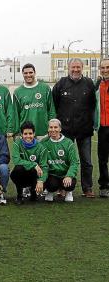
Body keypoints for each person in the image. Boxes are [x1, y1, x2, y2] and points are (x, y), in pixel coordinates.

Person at [52, 58, 96, 197]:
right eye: (73, 67)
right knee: (64, 161)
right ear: (68, 68)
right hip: (66, 130)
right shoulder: (61, 84)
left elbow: (93, 104)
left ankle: (87, 188)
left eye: (78, 67)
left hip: (84, 129)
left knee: (86, 161)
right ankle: (62, 188)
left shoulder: (89, 83)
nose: (75, 70)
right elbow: (55, 104)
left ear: (82, 68)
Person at [13, 63, 55, 139]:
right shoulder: (17, 92)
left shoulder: (45, 88)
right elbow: (16, 115)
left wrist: (52, 128)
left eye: (30, 72)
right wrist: (17, 132)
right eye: (25, 73)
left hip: (43, 132)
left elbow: (51, 110)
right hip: (26, 134)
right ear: (22, 74)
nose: (28, 75)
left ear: (35, 73)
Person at [41, 119, 79, 202]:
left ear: (60, 129)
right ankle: (50, 191)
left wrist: (69, 175)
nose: (53, 130)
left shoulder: (68, 143)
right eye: (51, 127)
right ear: (48, 129)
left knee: (69, 184)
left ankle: (69, 192)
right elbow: (41, 162)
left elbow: (74, 162)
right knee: (51, 185)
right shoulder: (43, 142)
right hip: (52, 174)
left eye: (55, 127)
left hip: (65, 174)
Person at [10, 121, 48, 204]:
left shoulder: (41, 148)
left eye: (30, 133)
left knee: (38, 173)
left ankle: (33, 193)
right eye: (25, 134)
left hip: (34, 176)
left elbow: (44, 167)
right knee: (18, 169)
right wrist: (34, 164)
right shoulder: (17, 144)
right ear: (21, 135)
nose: (28, 136)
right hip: (22, 175)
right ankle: (20, 196)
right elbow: (17, 161)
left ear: (34, 134)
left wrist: (41, 181)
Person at [95, 58, 109, 197]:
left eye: (107, 67)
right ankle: (104, 186)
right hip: (102, 128)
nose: (105, 70)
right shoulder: (98, 85)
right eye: (102, 68)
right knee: (102, 159)